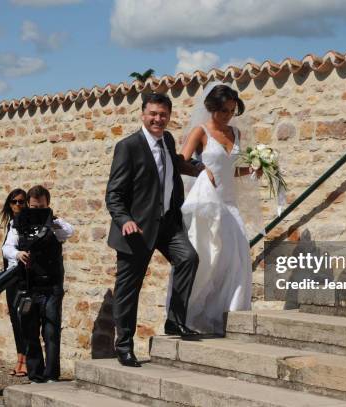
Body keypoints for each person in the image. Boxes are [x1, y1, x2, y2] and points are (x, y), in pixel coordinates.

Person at [106, 93, 202, 367]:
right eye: (153, 114)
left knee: (188, 258)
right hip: (135, 230)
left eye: (163, 114)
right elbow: (113, 193)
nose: (158, 119)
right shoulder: (128, 146)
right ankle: (123, 346)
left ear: (168, 116)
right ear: (143, 114)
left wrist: (198, 168)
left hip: (167, 223)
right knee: (128, 290)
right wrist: (124, 219)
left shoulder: (168, 140)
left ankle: (175, 322)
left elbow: (171, 168)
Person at [179, 83, 258, 334]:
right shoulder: (200, 132)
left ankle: (231, 315)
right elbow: (181, 162)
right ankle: (195, 317)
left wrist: (252, 170)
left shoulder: (236, 133)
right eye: (223, 110)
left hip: (230, 204)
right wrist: (201, 169)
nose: (228, 116)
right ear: (211, 108)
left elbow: (229, 170)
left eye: (232, 111)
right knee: (209, 259)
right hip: (208, 204)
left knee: (237, 259)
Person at [2, 185, 74, 383]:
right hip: (28, 286)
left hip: (51, 285)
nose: (36, 211)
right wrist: (17, 254)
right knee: (30, 331)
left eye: (41, 207)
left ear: (47, 204)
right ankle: (35, 375)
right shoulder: (18, 223)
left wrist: (51, 220)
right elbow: (7, 247)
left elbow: (69, 232)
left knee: (51, 332)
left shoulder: (55, 224)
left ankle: (51, 374)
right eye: (33, 207)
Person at [0, 188, 28, 377]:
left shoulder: (28, 223)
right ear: (9, 204)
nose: (18, 205)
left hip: (23, 276)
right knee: (14, 318)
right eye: (14, 201)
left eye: (21, 201)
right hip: (11, 277)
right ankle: (19, 358)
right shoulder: (10, 224)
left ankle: (26, 360)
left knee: (23, 317)